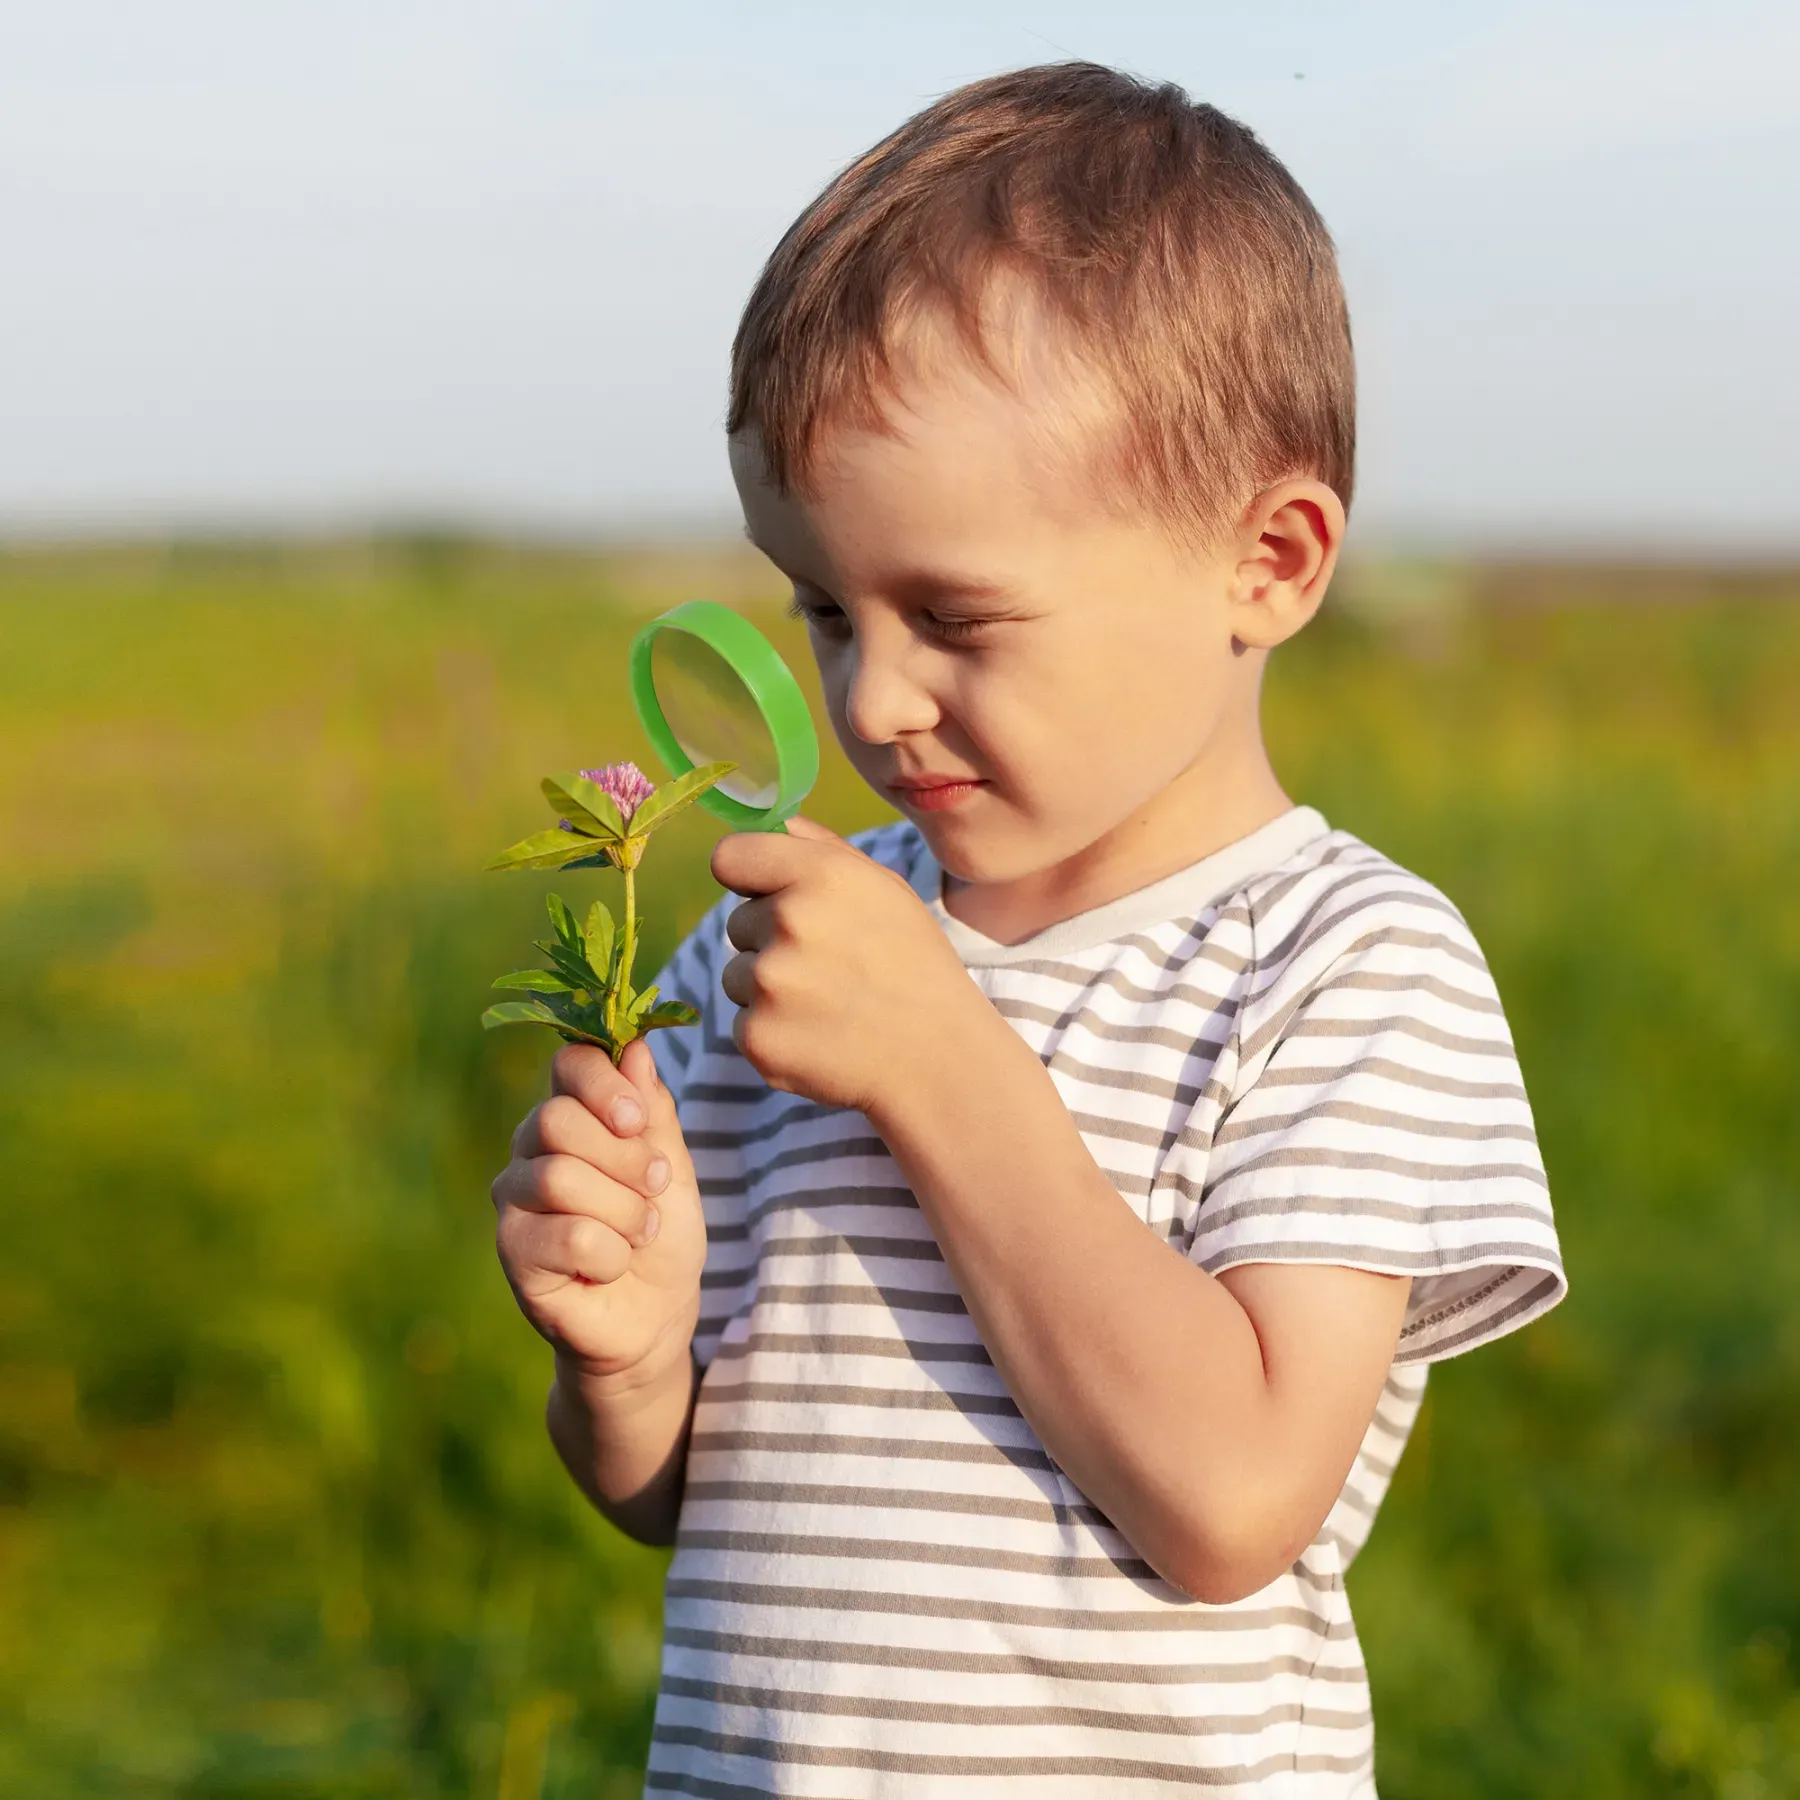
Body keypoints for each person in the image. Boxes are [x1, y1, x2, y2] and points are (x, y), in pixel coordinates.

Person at [489, 62, 1565, 1797]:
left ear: (1269, 562)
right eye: (827, 610)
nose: (873, 698)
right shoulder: (768, 958)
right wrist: (623, 1368)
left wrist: (943, 1069)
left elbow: (1232, 1498)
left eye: (959, 617)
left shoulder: (1349, 967)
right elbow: (685, 1501)